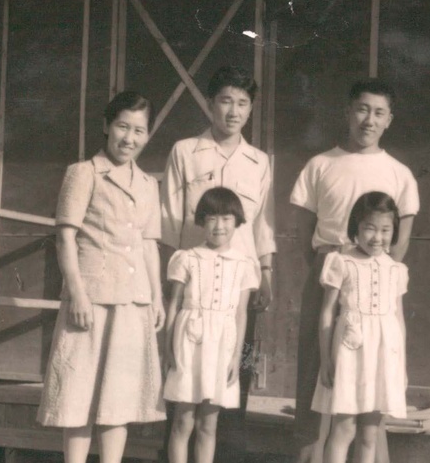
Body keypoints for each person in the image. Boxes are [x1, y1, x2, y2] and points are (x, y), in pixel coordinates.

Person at [290, 79, 419, 463]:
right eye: (362, 109)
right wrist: (330, 265)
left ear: (389, 119)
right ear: (348, 112)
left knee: (372, 383)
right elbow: (304, 233)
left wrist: (372, 266)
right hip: (329, 272)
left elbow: (400, 242)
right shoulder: (320, 165)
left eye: (379, 113)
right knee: (318, 371)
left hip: (375, 281)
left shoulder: (400, 173)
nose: (369, 120)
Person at [37, 91, 166, 463]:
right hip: (90, 301)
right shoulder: (84, 173)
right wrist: (77, 293)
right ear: (107, 126)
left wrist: (156, 298)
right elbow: (65, 237)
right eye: (123, 126)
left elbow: (148, 245)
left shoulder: (148, 184)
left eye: (139, 130)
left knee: (118, 400)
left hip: (133, 303)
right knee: (77, 396)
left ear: (148, 134)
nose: (129, 138)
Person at [160, 65, 276, 310]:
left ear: (250, 109)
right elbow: (169, 220)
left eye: (242, 103)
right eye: (226, 101)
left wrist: (266, 274)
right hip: (193, 280)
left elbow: (263, 227)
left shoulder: (259, 162)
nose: (234, 112)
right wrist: (168, 276)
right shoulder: (184, 152)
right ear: (210, 103)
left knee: (240, 337)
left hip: (241, 281)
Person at [163, 187, 259, 463]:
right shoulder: (187, 258)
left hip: (221, 347)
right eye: (212, 218)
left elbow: (241, 314)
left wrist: (235, 357)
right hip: (188, 342)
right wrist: (168, 348)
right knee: (183, 422)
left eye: (227, 218)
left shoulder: (243, 264)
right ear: (202, 221)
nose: (219, 226)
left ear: (237, 221)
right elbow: (174, 305)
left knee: (208, 424)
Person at [313, 192, 408, 463]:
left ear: (394, 231)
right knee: (343, 430)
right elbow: (327, 314)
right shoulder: (342, 262)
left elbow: (399, 320)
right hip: (349, 355)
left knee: (370, 434)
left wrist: (401, 367)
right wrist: (325, 360)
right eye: (369, 228)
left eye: (385, 230)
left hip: (382, 358)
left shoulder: (396, 270)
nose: (377, 237)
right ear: (356, 227)